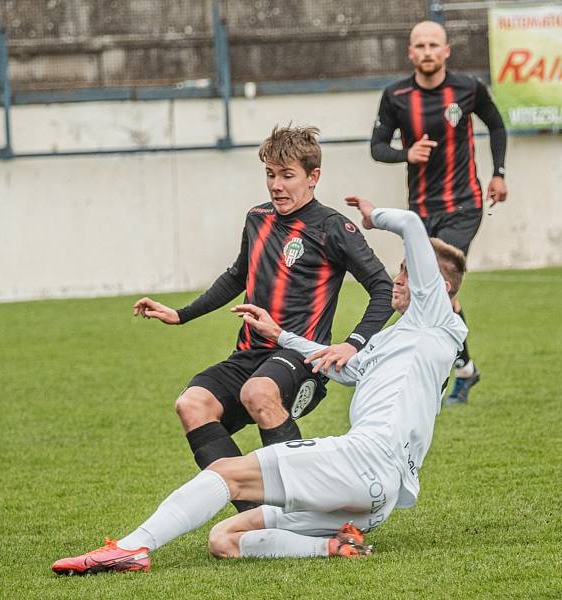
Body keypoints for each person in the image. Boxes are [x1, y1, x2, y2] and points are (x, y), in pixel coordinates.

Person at [52, 196, 467, 574]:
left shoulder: (436, 319)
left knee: (227, 473)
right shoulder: (399, 339)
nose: (398, 279)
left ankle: (132, 547)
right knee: (225, 538)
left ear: (438, 289)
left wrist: (372, 217)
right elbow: (337, 367)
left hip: (363, 460)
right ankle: (332, 547)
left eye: (407, 273)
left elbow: (412, 224)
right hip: (376, 499)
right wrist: (279, 334)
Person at [134, 126, 393, 510]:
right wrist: (181, 314)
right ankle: (255, 515)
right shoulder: (257, 218)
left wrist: (352, 344)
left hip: (300, 357)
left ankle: (307, 508)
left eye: (287, 175)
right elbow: (239, 276)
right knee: (192, 404)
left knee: (258, 392)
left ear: (313, 177)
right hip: (250, 354)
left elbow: (383, 289)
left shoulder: (332, 227)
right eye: (270, 174)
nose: (276, 185)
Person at [370, 20, 507, 405]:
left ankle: (434, 374)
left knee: (434, 286)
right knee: (436, 294)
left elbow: (496, 126)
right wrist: (405, 154)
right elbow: (377, 147)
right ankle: (464, 368)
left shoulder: (468, 88)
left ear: (446, 51)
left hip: (464, 205)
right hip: (420, 213)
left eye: (434, 45)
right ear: (410, 53)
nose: (427, 51)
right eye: (420, 45)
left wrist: (499, 173)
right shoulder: (395, 95)